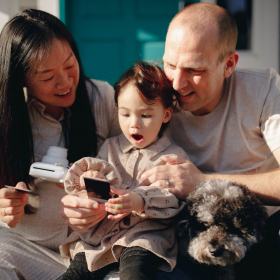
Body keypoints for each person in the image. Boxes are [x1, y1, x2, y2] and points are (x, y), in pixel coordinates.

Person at [60, 3, 280, 280]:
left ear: (229, 65)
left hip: (254, 231)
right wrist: (83, 203)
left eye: (194, 70)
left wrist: (203, 182)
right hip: (175, 233)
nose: (177, 83)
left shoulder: (263, 91)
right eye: (170, 64)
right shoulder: (152, 99)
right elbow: (111, 163)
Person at [0, 9, 121, 280]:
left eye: (70, 65)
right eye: (46, 77)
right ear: (20, 79)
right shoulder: (5, 118)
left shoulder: (103, 99)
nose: (65, 82)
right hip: (28, 248)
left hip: (94, 250)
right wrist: (3, 209)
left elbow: (130, 176)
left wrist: (96, 196)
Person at [60, 61, 188, 280]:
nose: (134, 125)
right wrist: (90, 179)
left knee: (135, 274)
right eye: (125, 114)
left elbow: (175, 200)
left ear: (166, 115)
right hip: (101, 235)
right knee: (75, 274)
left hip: (143, 237)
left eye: (145, 115)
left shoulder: (172, 156)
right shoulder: (110, 147)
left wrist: (139, 201)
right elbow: (86, 178)